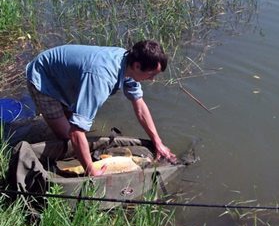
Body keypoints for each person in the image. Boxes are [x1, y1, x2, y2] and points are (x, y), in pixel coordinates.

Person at [25, 40, 177, 176]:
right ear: (138, 65)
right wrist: (91, 170)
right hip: (43, 78)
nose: (152, 79)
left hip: (68, 79)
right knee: (67, 137)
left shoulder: (129, 66)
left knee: (75, 123)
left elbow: (140, 107)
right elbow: (76, 132)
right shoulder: (101, 78)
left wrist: (158, 142)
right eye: (151, 74)